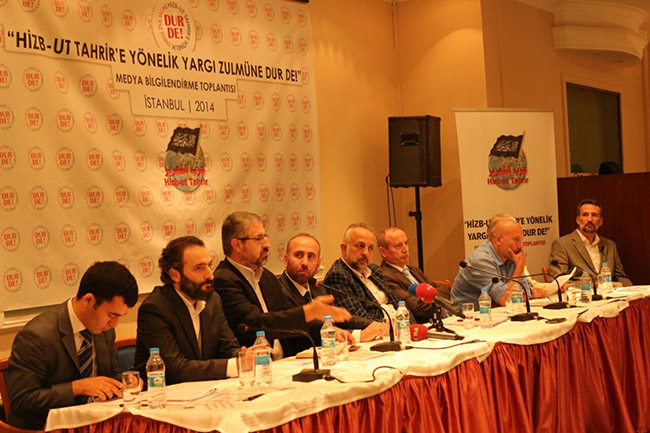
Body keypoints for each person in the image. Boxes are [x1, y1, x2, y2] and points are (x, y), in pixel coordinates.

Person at [7, 261, 139, 430]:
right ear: (89, 300)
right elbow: (22, 401)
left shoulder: (105, 330)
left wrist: (125, 382)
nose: (114, 324)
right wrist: (77, 388)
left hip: (95, 423)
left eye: (121, 316)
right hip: (46, 428)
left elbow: (110, 375)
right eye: (111, 315)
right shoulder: (37, 336)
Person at [213, 212, 351, 358]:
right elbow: (255, 323)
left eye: (265, 237)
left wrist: (329, 331)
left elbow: (288, 319)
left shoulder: (267, 277)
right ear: (237, 245)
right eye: (259, 239)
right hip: (255, 365)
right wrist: (308, 312)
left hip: (287, 361)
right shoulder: (223, 279)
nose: (267, 244)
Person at [133, 236, 241, 386]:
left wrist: (244, 356)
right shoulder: (155, 309)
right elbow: (174, 369)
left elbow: (228, 347)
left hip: (204, 390)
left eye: (209, 265)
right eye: (199, 268)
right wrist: (232, 366)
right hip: (164, 394)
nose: (210, 275)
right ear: (174, 275)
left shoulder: (212, 300)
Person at [279, 233, 387, 342]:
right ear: (286, 260)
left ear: (318, 264)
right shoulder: (279, 290)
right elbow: (306, 328)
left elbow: (340, 318)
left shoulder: (317, 288)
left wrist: (375, 325)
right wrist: (358, 335)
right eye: (298, 255)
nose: (305, 263)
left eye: (311, 256)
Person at [451, 214, 547, 310]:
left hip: (496, 313)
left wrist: (527, 294)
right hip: (465, 316)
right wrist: (519, 267)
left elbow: (526, 291)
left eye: (521, 240)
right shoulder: (481, 260)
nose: (521, 245)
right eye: (516, 239)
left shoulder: (510, 256)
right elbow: (505, 299)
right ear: (499, 239)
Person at [323, 223, 409, 324]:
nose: (366, 253)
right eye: (360, 246)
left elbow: (400, 304)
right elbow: (360, 319)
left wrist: (412, 326)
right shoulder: (338, 276)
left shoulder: (374, 270)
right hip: (381, 331)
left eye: (370, 248)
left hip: (402, 327)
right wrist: (396, 324)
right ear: (344, 248)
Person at [549, 198, 632, 286]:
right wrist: (596, 285)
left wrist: (631, 289)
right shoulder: (562, 244)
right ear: (578, 220)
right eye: (585, 215)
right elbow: (557, 282)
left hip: (609, 293)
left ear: (601, 221)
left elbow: (621, 277)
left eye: (594, 215)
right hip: (581, 294)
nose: (589, 219)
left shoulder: (610, 245)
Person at [378, 227, 452, 323]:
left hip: (437, 320)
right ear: (383, 252)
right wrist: (439, 299)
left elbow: (444, 290)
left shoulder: (414, 270)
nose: (405, 250)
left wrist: (433, 297)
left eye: (406, 243)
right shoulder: (385, 276)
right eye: (398, 246)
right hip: (417, 325)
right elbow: (417, 307)